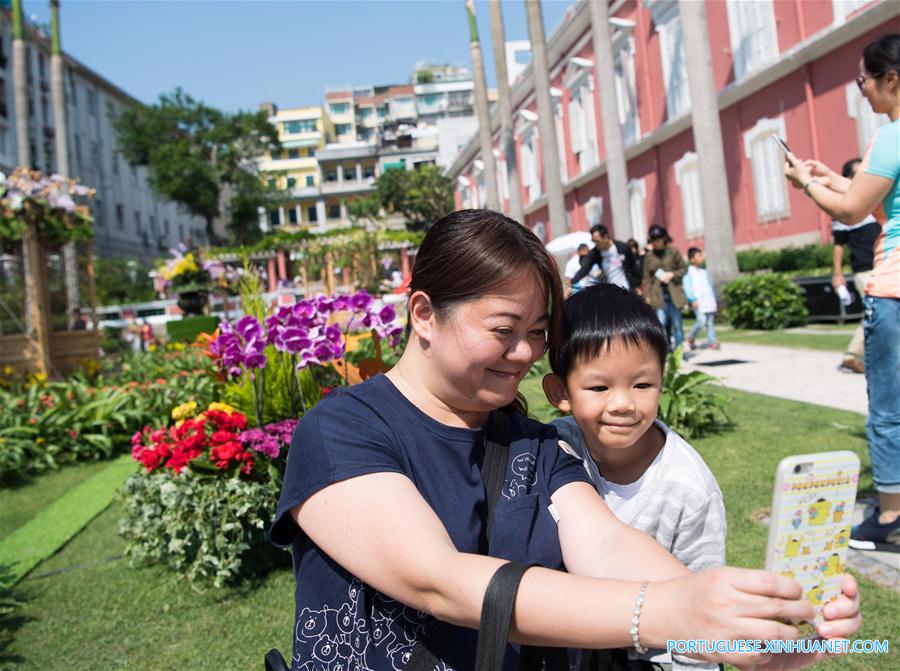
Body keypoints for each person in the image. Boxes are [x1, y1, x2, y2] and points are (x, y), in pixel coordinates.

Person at [270, 209, 861, 670]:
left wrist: (729, 619)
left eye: (536, 331)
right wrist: (668, 611)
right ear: (424, 314)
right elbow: (440, 579)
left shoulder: (539, 444)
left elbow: (604, 544)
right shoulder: (342, 431)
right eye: (504, 330)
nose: (527, 353)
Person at [543, 284, 725, 670]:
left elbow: (703, 608)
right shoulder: (551, 450)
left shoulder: (689, 488)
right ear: (560, 391)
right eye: (599, 387)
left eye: (642, 385)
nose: (623, 404)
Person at [783, 32, 900, 549]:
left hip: (894, 288)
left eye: (864, 81)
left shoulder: (891, 135)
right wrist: (830, 176)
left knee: (888, 409)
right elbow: (873, 199)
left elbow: (852, 211)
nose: (862, 92)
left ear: (891, 80)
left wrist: (806, 185)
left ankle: (892, 518)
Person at [830, 158, 882, 375]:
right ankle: (851, 356)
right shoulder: (845, 207)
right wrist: (837, 274)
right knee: (876, 313)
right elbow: (838, 245)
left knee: (879, 312)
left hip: (882, 265)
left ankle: (855, 356)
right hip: (865, 269)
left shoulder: (873, 200)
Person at [642, 225, 687, 351]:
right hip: (658, 295)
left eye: (658, 238)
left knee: (677, 325)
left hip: (674, 293)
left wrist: (672, 274)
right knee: (661, 324)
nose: (656, 242)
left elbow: (684, 269)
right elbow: (646, 278)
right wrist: (647, 295)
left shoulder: (673, 252)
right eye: (653, 239)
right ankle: (665, 352)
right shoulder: (649, 256)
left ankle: (679, 353)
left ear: (664, 238)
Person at [569, 224, 642, 292]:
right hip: (610, 292)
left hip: (627, 290)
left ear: (605, 237)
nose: (595, 244)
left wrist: (637, 285)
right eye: (593, 241)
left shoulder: (623, 248)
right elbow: (585, 269)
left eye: (597, 241)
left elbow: (633, 267)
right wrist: (572, 281)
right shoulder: (595, 253)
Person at [684, 248, 719, 351]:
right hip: (698, 302)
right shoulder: (688, 274)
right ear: (692, 259)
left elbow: (710, 286)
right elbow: (688, 287)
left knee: (710, 322)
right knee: (701, 321)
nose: (701, 258)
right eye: (699, 256)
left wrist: (714, 298)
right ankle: (691, 336)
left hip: (708, 301)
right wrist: (692, 299)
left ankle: (712, 341)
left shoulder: (704, 272)